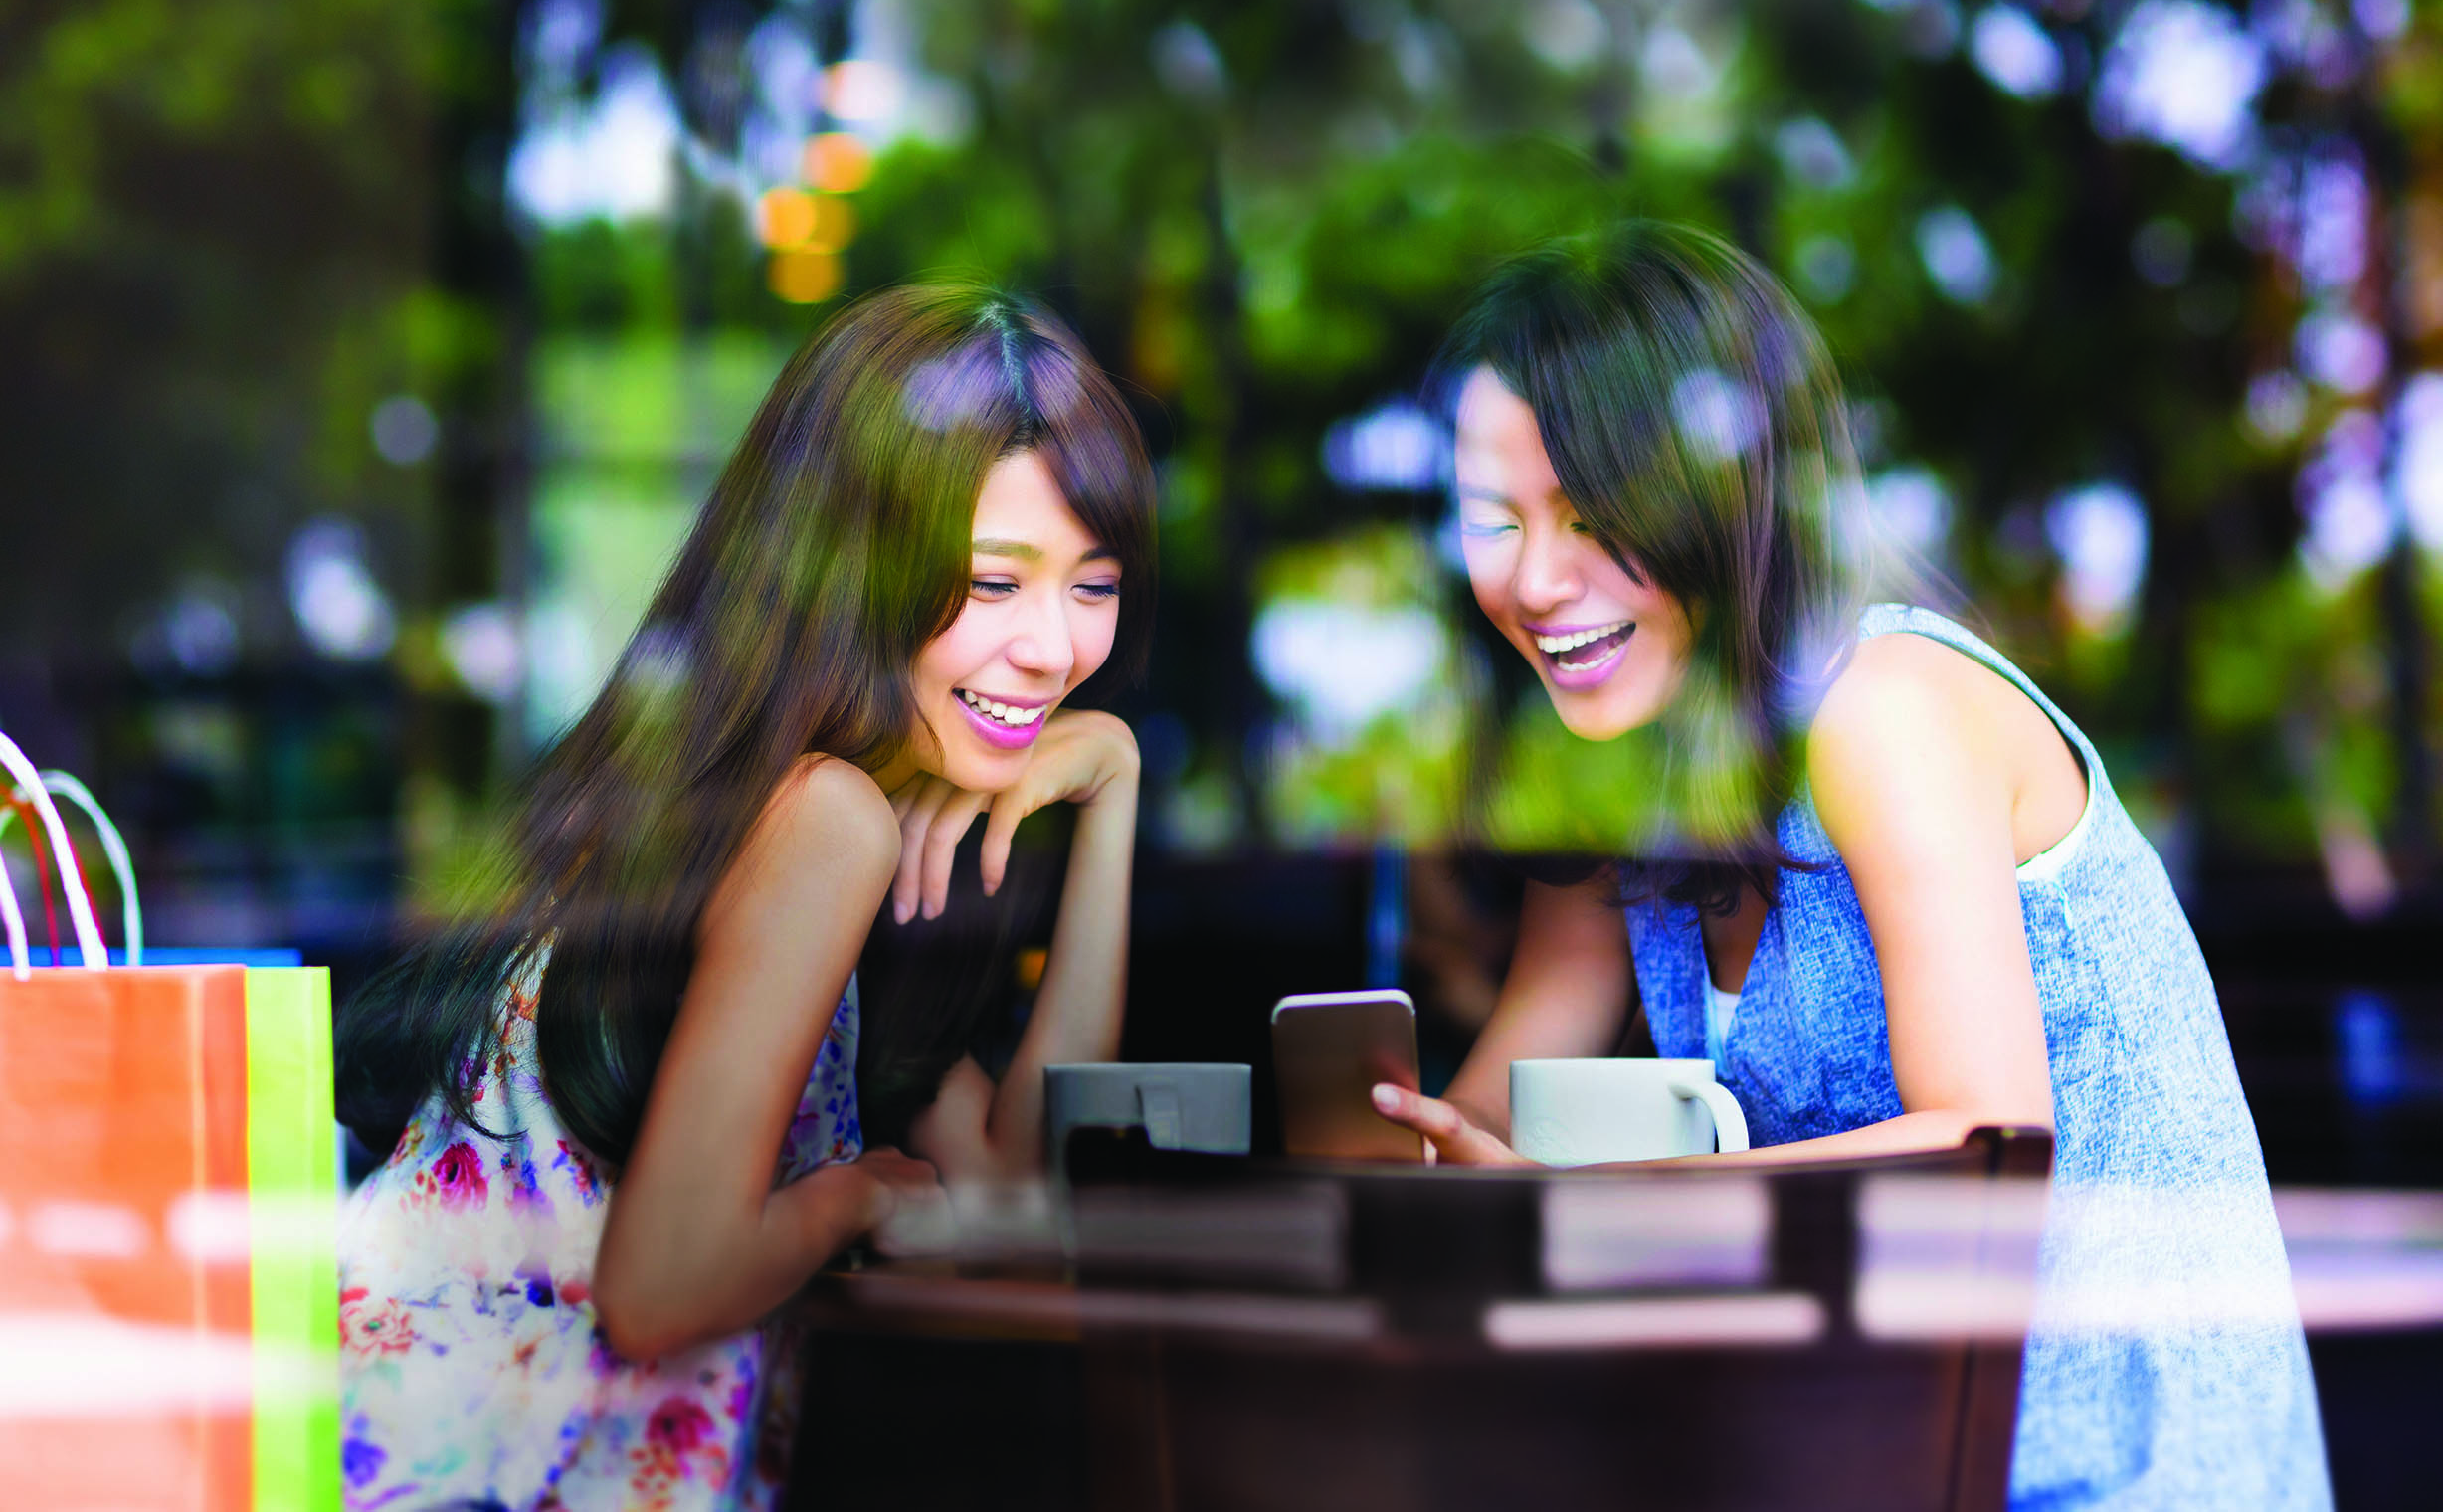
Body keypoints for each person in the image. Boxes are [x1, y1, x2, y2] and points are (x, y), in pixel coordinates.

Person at [1368, 224, 2331, 1510]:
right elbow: (1495, 1112)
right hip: (1877, 1459)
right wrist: (1390, 1160)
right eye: (1497, 519)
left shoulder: (1881, 707)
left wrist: (1596, 1203)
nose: (1539, 579)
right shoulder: (1621, 765)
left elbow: (1987, 1141)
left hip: (2124, 1474)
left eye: (1598, 514)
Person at [332, 283, 1155, 1511]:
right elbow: (661, 1285)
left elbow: (1002, 1193)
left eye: (1091, 586)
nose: (1051, 649)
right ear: (855, 573)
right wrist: (853, 1192)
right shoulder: (825, 817)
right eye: (993, 583)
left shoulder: (777, 803)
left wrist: (1113, 784)